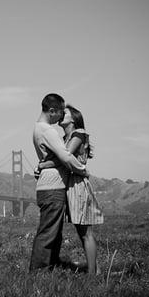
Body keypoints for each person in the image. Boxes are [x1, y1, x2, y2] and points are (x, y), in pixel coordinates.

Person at [37, 104, 104, 275]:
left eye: (64, 113)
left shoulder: (78, 133)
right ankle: (95, 270)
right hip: (69, 186)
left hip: (78, 186)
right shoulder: (66, 136)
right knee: (81, 231)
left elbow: (64, 157)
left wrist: (43, 165)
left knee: (85, 232)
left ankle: (92, 275)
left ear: (73, 118)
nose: (60, 115)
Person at [29, 93, 87, 271]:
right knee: (48, 232)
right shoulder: (48, 130)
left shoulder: (37, 128)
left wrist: (42, 165)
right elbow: (66, 157)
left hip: (47, 186)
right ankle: (39, 271)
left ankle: (52, 265)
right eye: (60, 113)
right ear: (52, 111)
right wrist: (83, 170)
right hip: (53, 186)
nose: (61, 116)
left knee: (54, 232)